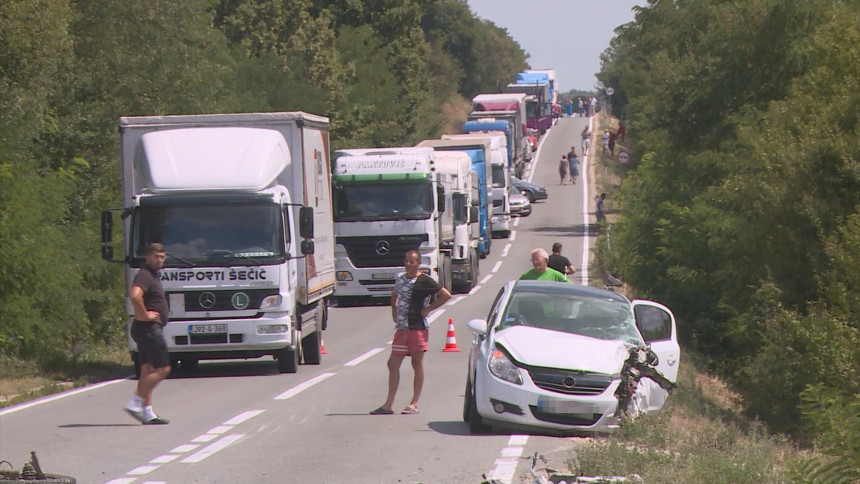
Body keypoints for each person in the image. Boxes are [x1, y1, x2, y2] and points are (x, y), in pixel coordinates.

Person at [371, 250, 451, 415]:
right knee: (392, 364)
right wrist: (393, 309)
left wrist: (429, 308)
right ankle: (389, 403)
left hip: (417, 328)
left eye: (412, 262)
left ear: (418, 264)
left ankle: (414, 403)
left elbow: (446, 295)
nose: (408, 264)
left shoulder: (424, 281)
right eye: (406, 261)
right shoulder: (400, 278)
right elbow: (394, 294)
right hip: (402, 329)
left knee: (417, 364)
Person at [124, 243, 171, 425]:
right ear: (147, 257)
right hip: (149, 329)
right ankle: (135, 403)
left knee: (147, 370)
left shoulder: (152, 276)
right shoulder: (144, 274)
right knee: (163, 369)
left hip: (144, 329)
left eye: (161, 257)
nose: (159, 260)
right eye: (155, 256)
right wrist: (144, 314)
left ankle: (147, 412)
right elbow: (135, 295)